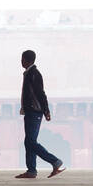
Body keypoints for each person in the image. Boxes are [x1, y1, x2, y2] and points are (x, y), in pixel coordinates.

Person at [17, 50, 64, 179]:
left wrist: (46, 110)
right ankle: (31, 170)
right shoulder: (29, 73)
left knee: (31, 141)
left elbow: (41, 93)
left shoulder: (34, 74)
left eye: (22, 59)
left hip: (34, 111)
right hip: (31, 111)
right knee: (29, 141)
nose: (21, 62)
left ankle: (54, 161)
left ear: (27, 60)